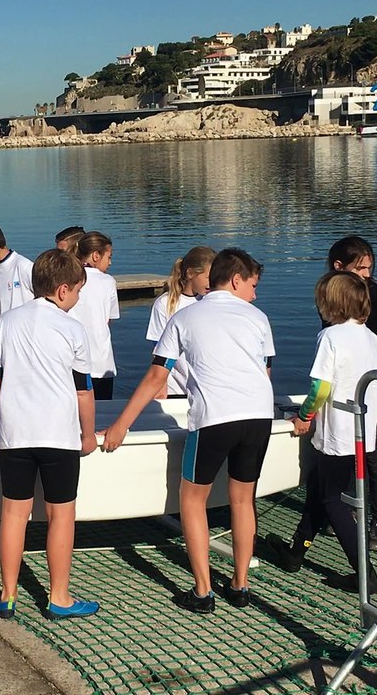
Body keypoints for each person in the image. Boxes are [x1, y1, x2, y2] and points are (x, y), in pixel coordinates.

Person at [102, 248, 273, 614]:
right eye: (253, 285)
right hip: (259, 416)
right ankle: (240, 586)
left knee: (192, 501)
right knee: (243, 500)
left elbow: (156, 376)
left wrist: (120, 426)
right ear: (236, 280)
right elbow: (265, 372)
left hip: (215, 417)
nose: (255, 295)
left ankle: (203, 592)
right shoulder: (258, 318)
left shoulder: (185, 317)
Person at [0, 249, 100, 621]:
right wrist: (88, 433)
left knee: (13, 515)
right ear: (63, 291)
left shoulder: (6, 324)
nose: (78, 298)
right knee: (61, 515)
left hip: (15, 433)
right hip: (59, 435)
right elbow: (83, 389)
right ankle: (58, 597)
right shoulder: (72, 328)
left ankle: (8, 594)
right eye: (78, 291)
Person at [275, 270, 377, 594]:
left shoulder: (331, 337)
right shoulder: (373, 339)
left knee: (332, 499)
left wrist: (304, 415)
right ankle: (296, 551)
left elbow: (321, 387)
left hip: (337, 432)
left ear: (331, 305)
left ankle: (365, 573)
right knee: (319, 490)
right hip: (365, 430)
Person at [325, 236, 377, 548]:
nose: (366, 274)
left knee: (372, 451)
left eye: (369, 268)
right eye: (360, 268)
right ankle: (344, 508)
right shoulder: (330, 294)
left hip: (376, 381)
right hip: (345, 378)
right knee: (343, 446)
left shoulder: (372, 294)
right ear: (339, 267)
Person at [147, 246, 216, 399]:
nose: (212, 283)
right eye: (208, 277)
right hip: (176, 388)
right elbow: (157, 348)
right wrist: (160, 385)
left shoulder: (211, 302)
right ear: (190, 273)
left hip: (205, 388)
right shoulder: (164, 304)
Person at [68, 232, 119, 400]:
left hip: (74, 360)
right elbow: (109, 319)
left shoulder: (71, 279)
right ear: (96, 255)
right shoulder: (108, 282)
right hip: (102, 361)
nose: (110, 262)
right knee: (102, 410)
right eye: (108, 257)